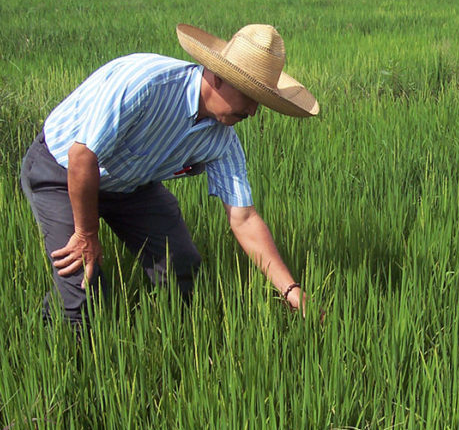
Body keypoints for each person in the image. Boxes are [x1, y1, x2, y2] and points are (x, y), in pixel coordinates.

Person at [20, 23, 319, 328]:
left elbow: (244, 218)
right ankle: (53, 346)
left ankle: (168, 341)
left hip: (131, 185)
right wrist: (86, 235)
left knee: (180, 267)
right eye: (249, 96)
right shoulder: (147, 84)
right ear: (218, 77)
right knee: (84, 291)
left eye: (261, 102)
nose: (253, 111)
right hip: (62, 171)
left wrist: (290, 289)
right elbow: (82, 156)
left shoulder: (222, 140)